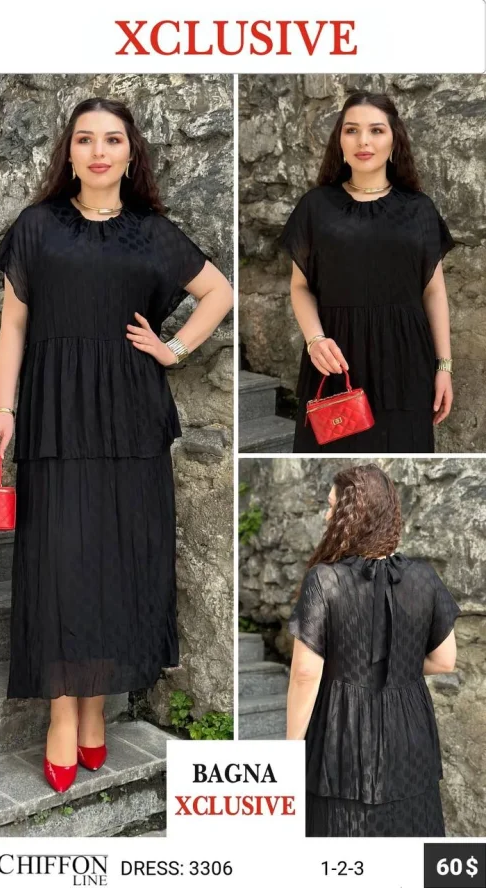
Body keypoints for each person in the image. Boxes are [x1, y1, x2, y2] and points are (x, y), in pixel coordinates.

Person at [0, 97, 233, 793]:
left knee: (116, 561)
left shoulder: (153, 232)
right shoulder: (37, 226)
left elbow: (219, 292)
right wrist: (1, 409)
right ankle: (63, 711)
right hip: (55, 416)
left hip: (130, 415)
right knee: (60, 563)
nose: (99, 151)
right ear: (69, 153)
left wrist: (174, 349)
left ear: (131, 154)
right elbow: (13, 327)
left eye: (113, 140)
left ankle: (94, 702)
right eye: (86, 139)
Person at [286, 464, 461, 837]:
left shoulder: (325, 580)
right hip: (410, 731)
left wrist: (289, 749)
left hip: (341, 734)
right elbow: (445, 661)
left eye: (332, 507)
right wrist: (399, 666)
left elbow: (305, 674)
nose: (327, 515)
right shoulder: (425, 577)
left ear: (352, 516)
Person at [279, 91, 455, 453]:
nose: (363, 141)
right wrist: (315, 340)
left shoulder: (419, 209)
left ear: (394, 141)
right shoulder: (316, 207)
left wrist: (444, 366)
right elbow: (300, 286)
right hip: (335, 360)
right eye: (351, 130)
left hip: (406, 363)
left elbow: (434, 291)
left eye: (376, 130)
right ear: (339, 141)